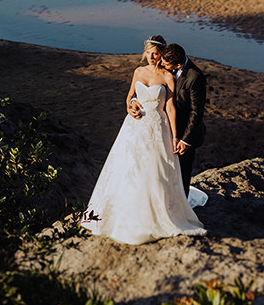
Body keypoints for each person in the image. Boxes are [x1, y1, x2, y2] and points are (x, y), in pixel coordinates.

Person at [82, 37, 205, 245]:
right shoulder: (138, 72)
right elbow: (130, 96)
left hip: (158, 126)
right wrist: (130, 106)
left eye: (155, 53)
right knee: (128, 167)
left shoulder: (168, 76)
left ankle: (156, 214)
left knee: (154, 171)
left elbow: (171, 107)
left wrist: (176, 136)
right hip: (134, 127)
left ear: (162, 55)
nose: (151, 56)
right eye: (148, 52)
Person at [160, 43, 207, 196]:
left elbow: (196, 112)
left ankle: (182, 207)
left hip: (184, 132)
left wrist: (185, 140)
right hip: (163, 129)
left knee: (183, 173)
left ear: (178, 64)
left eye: (165, 64)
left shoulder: (195, 77)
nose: (162, 65)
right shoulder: (164, 67)